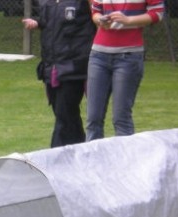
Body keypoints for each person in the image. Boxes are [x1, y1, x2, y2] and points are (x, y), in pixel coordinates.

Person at [85, 0, 165, 141]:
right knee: (93, 118)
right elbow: (95, 11)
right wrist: (100, 20)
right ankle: (92, 161)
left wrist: (128, 20)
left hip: (128, 56)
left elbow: (157, 13)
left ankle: (126, 161)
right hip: (99, 55)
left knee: (121, 118)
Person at [22, 0, 95, 147]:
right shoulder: (47, 2)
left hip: (73, 67)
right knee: (67, 116)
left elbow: (97, 20)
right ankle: (80, 150)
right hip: (51, 67)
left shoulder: (83, 3)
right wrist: (37, 23)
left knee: (64, 115)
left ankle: (55, 154)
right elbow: (51, 24)